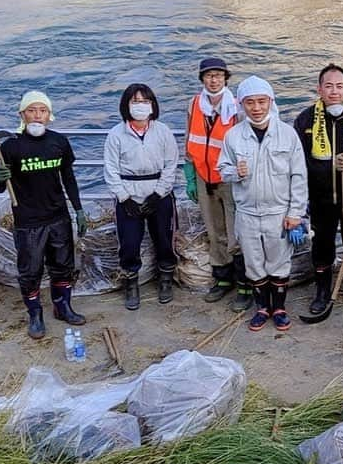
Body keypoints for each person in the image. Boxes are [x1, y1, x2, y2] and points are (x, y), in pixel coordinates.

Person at [0, 90, 87, 339]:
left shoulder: (59, 142)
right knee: (30, 271)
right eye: (31, 110)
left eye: (42, 111)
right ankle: (35, 313)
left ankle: (62, 306)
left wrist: (78, 209)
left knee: (63, 266)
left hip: (58, 217)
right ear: (22, 114)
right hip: (28, 221)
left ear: (49, 115)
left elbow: (68, 178)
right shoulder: (10, 146)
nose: (37, 115)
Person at [218, 75, 308, 332]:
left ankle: (279, 308)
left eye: (261, 101)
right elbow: (222, 170)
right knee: (254, 262)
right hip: (246, 212)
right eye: (250, 103)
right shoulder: (233, 136)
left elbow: (299, 176)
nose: (256, 108)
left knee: (279, 261)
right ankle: (261, 308)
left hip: (278, 212)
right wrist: (237, 171)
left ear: (271, 101)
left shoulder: (287, 134)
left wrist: (296, 213)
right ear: (241, 105)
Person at [293, 63, 343, 317]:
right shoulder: (306, 119)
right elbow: (298, 161)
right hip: (320, 199)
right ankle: (322, 292)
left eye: (339, 86)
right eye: (328, 86)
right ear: (319, 89)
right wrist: (301, 197)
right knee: (322, 246)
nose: (334, 92)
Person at [103, 83, 179, 310]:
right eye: (135, 102)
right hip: (130, 192)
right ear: (126, 106)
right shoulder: (116, 134)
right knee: (129, 242)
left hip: (159, 192)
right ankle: (131, 282)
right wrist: (124, 198)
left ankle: (165, 277)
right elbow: (111, 169)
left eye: (145, 101)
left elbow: (170, 164)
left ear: (153, 105)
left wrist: (159, 193)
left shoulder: (163, 131)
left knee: (164, 238)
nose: (141, 106)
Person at [183, 57, 251, 310]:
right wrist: (189, 173)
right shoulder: (193, 104)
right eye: (209, 75)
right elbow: (190, 137)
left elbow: (245, 142)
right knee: (214, 231)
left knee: (236, 232)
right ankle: (222, 279)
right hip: (203, 175)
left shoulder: (236, 107)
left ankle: (244, 284)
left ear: (225, 79)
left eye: (219, 76)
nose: (214, 80)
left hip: (229, 177)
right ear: (202, 79)